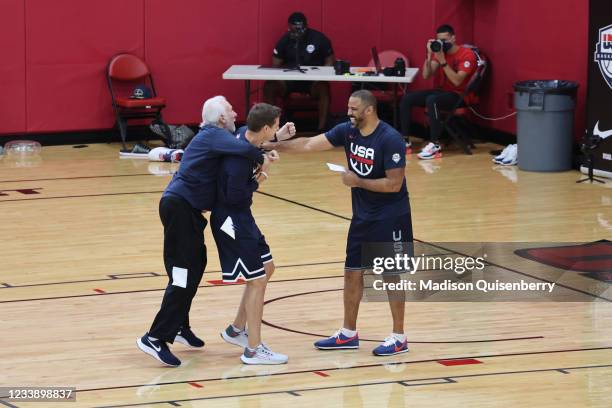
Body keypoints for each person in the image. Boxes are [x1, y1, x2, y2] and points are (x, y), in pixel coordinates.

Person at [137, 96, 293, 367]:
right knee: (183, 275)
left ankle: (178, 325)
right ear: (221, 118)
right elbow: (246, 149)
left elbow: (247, 139)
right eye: (231, 110)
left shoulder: (225, 138)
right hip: (180, 208)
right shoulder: (213, 136)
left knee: (195, 268)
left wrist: (274, 137)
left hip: (189, 211)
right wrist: (263, 166)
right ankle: (155, 337)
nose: (236, 113)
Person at [268, 90, 413, 356]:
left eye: (354, 109)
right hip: (362, 217)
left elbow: (394, 185)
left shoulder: (390, 140)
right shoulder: (348, 131)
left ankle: (399, 336)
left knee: (391, 276)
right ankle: (348, 333)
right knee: (351, 272)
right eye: (348, 108)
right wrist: (274, 145)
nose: (349, 113)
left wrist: (357, 181)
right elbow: (309, 144)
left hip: (391, 217)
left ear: (369, 110)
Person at [212, 103, 288, 365]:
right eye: (276, 126)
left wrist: (275, 143)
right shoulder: (237, 160)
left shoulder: (245, 134)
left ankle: (236, 330)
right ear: (265, 127)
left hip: (243, 217)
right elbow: (235, 196)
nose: (277, 129)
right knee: (256, 280)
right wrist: (264, 173)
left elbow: (256, 147)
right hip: (231, 219)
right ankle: (254, 350)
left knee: (266, 269)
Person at [400, 24, 477, 160]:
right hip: (443, 92)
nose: (443, 43)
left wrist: (442, 61)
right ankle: (405, 141)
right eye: (440, 40)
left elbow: (457, 81)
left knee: (432, 100)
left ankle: (435, 144)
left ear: (453, 38)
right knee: (407, 98)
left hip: (460, 95)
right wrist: (429, 56)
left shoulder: (467, 55)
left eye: (445, 40)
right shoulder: (440, 52)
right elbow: (426, 75)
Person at [263, 11, 335, 132]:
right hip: (289, 81)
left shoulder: (319, 38)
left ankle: (321, 129)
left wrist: (321, 74)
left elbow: (330, 61)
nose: (296, 33)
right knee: (269, 86)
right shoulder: (285, 40)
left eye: (300, 29)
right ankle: (272, 128)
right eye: (293, 30)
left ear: (306, 27)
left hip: (313, 81)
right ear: (289, 27)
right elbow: (275, 64)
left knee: (324, 87)